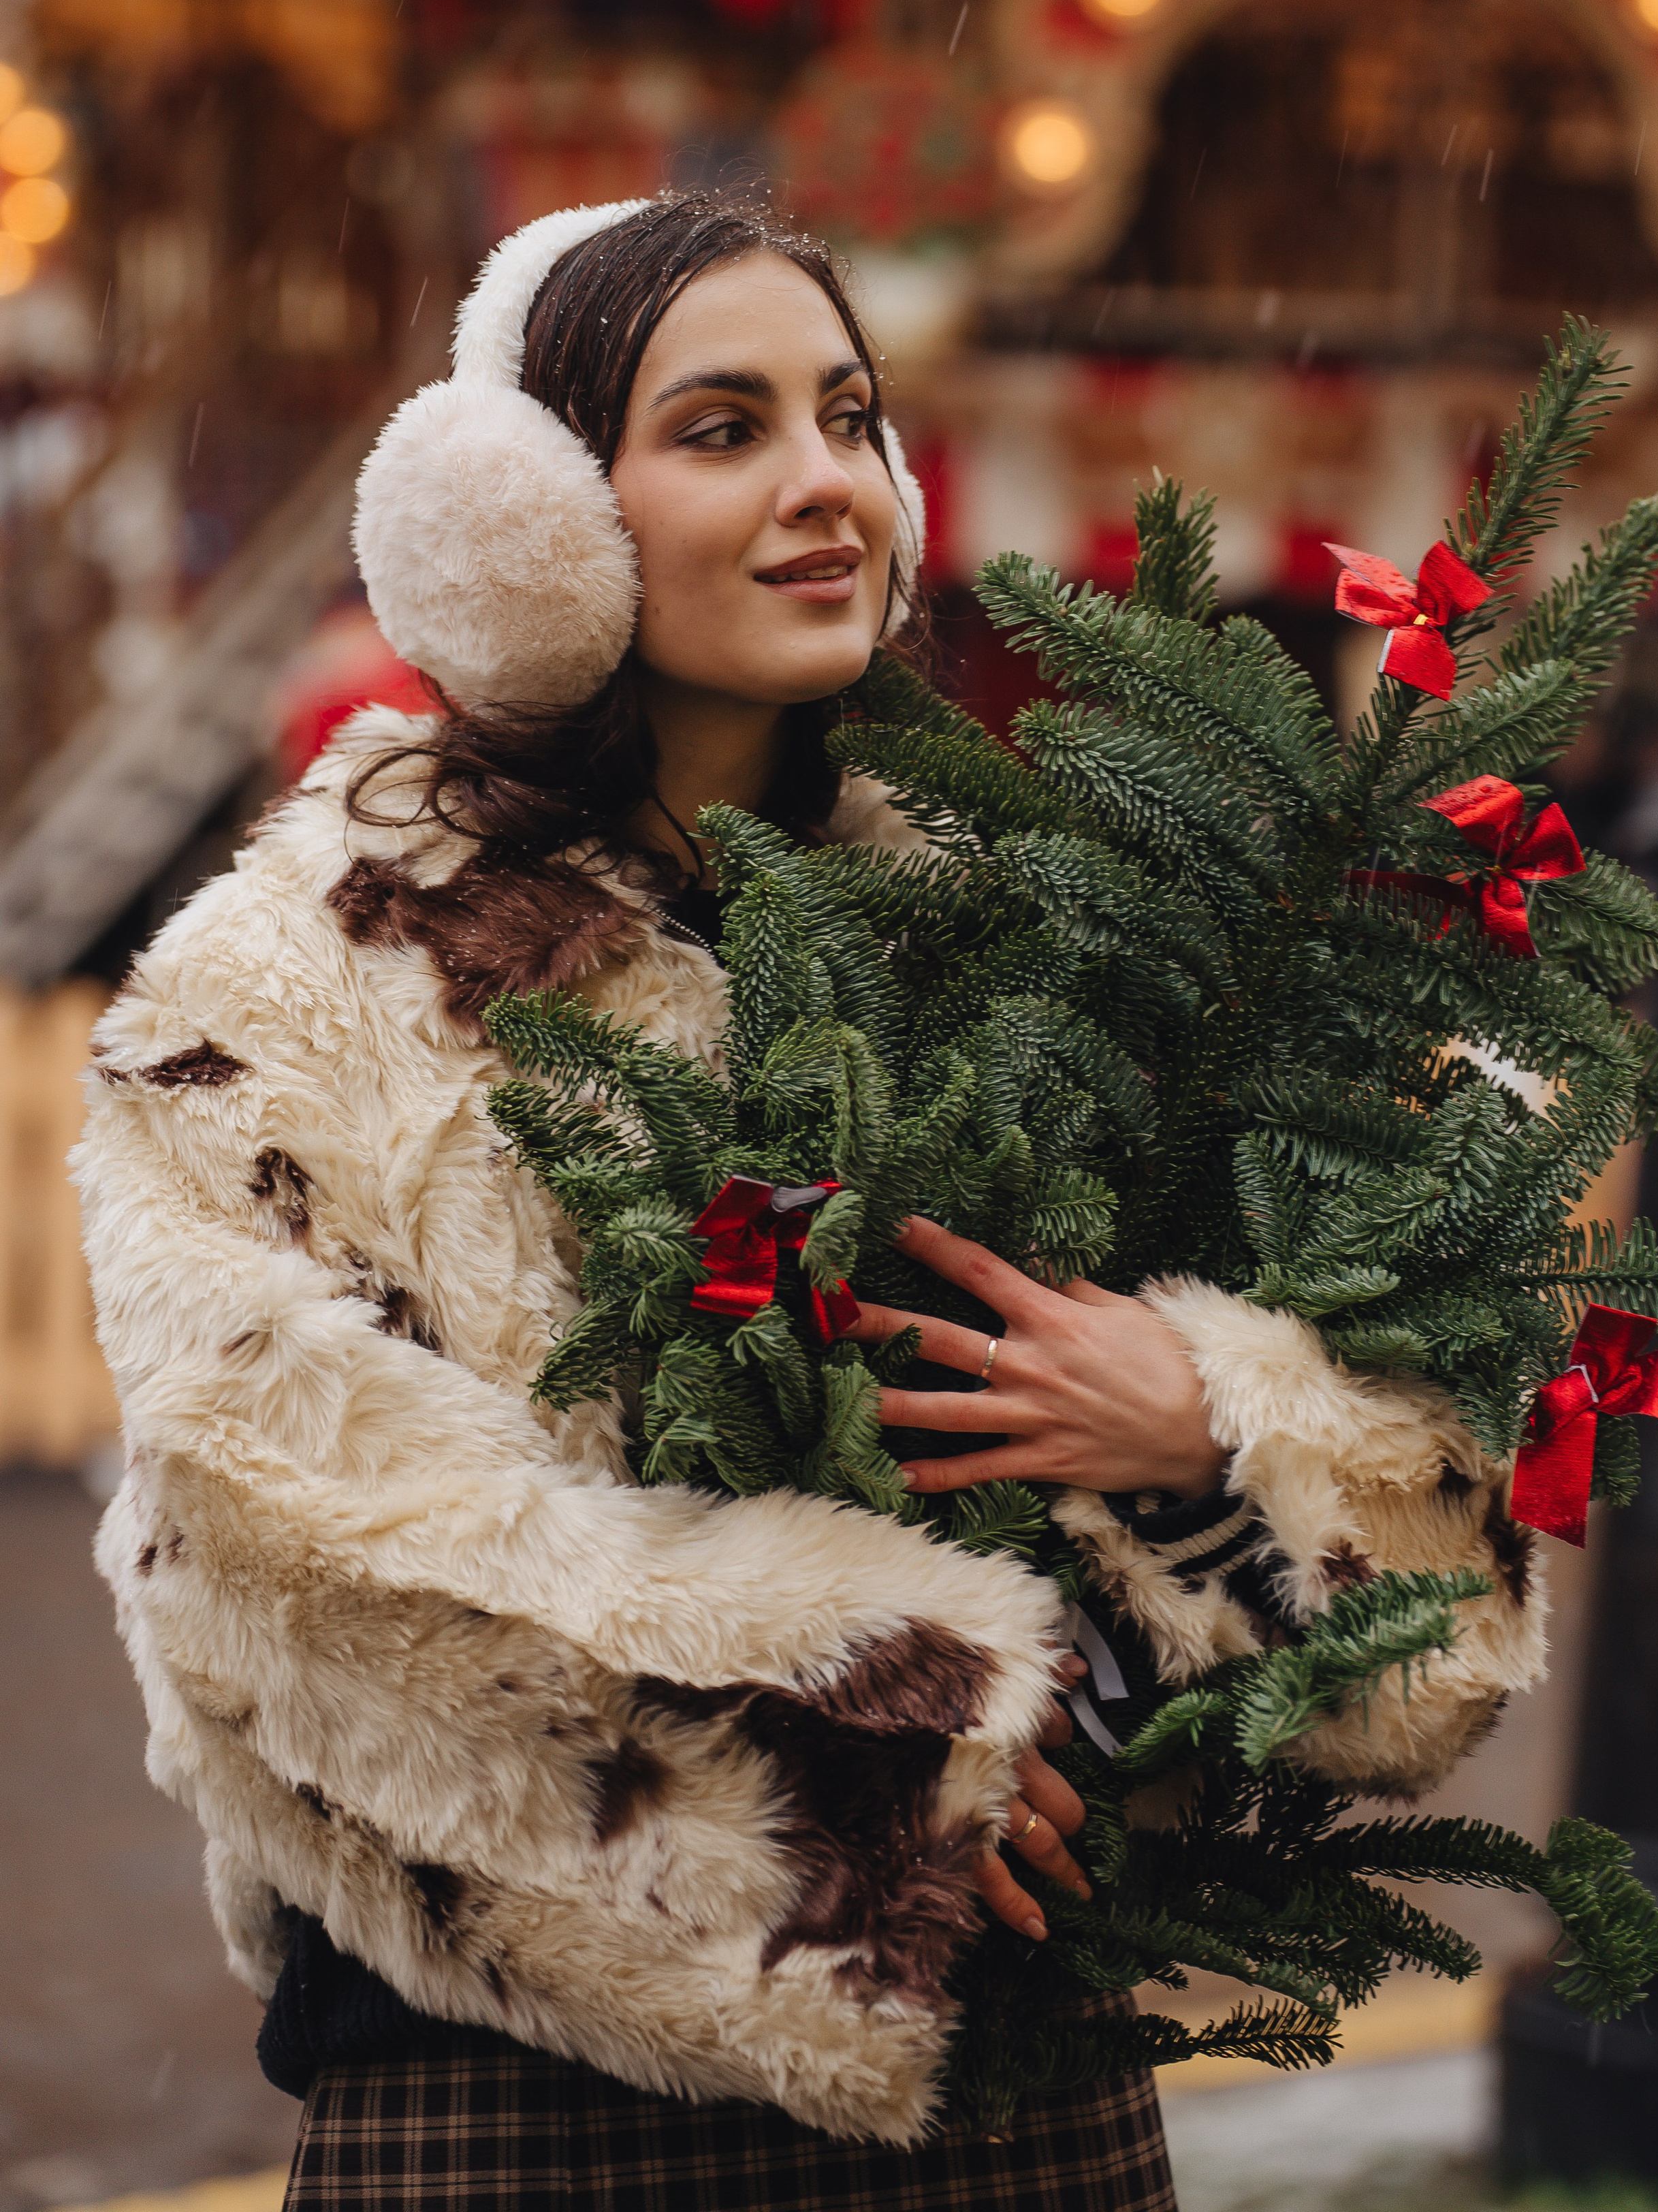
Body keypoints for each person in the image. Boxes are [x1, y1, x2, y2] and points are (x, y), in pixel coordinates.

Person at [77, 194, 1546, 2210]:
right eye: (721, 428)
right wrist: (885, 1749)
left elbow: (1414, 1548)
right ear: (529, 522)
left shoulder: (1026, 943)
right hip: (529, 2109)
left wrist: (1218, 1420)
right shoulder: (284, 989)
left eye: (847, 417)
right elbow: (283, 1547)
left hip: (1019, 2106)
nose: (822, 484)